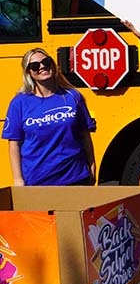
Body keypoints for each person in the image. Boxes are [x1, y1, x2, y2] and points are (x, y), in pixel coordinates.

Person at [4, 48, 96, 186]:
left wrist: (92, 165)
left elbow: (84, 135)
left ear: (53, 64)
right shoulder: (19, 103)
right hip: (38, 182)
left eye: (46, 62)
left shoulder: (72, 96)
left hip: (75, 177)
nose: (42, 67)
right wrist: (18, 179)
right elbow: (14, 144)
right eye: (34, 66)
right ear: (28, 73)